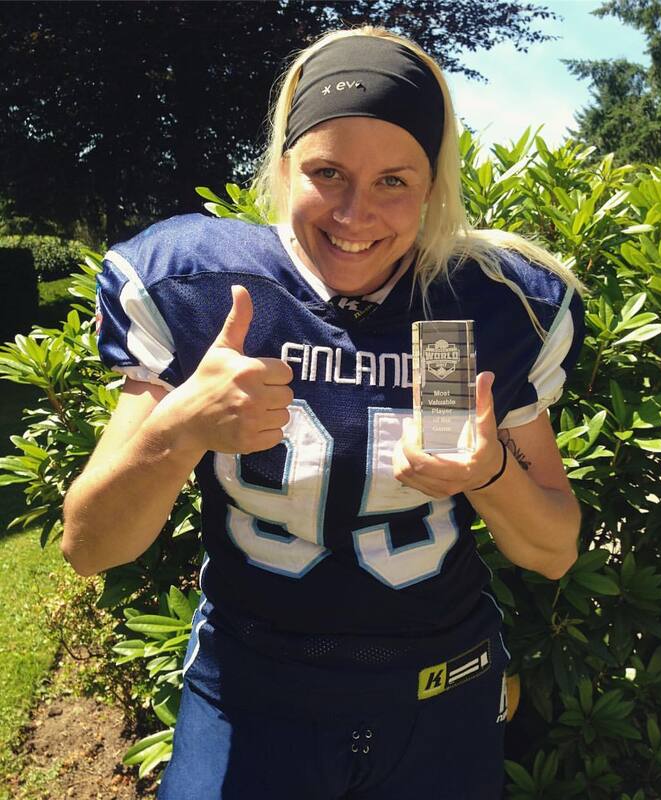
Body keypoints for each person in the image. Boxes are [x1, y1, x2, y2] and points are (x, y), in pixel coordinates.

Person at [62, 26, 584, 800]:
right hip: (250, 685)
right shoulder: (197, 287)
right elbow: (89, 546)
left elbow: (553, 551)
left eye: (392, 181)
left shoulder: (497, 303)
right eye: (327, 172)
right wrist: (177, 432)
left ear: (433, 186)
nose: (353, 214)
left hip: (439, 688)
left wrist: (489, 472)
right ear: (282, 167)